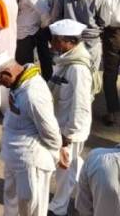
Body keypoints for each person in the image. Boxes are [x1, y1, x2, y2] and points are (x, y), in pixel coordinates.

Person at [0, 53, 61, 216]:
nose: (0, 84)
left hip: (30, 164)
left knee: (30, 209)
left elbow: (51, 132)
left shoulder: (33, 94)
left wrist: (55, 154)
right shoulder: (19, 83)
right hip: (15, 159)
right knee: (13, 205)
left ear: (8, 73)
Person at [47, 19, 93, 216]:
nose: (52, 44)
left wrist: (69, 134)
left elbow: (81, 106)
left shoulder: (77, 69)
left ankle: (58, 208)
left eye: (56, 40)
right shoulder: (66, 60)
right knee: (69, 164)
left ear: (69, 41)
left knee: (63, 169)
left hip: (69, 128)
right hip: (61, 123)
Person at [9, 0, 52, 80]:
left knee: (26, 67)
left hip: (28, 34)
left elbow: (45, 14)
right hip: (23, 32)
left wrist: (39, 28)